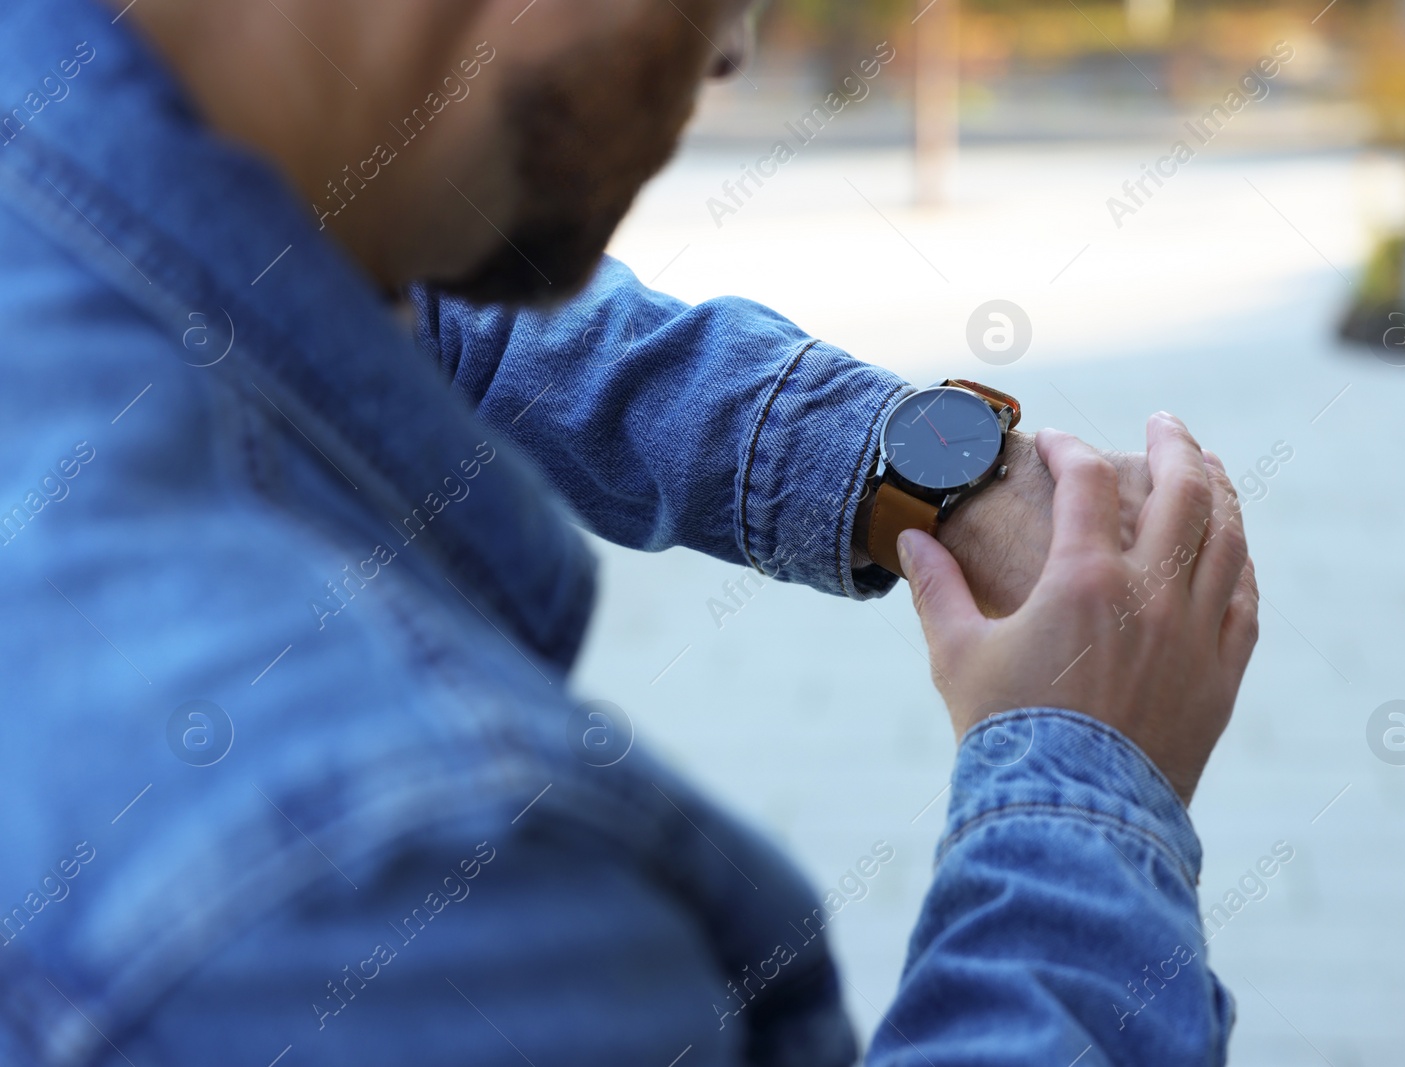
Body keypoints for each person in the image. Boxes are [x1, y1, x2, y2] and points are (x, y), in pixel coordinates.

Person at [0, 0, 1258, 1063]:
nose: (731, 52)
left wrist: (930, 473)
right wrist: (1085, 782)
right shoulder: (400, 873)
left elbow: (401, 300)